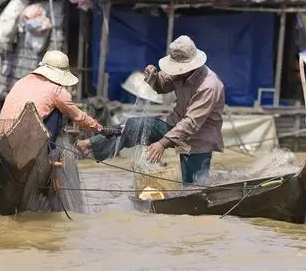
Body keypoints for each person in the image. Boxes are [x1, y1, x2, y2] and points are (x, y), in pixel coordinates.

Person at [76, 35, 225, 183]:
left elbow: (191, 123)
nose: (176, 71)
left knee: (194, 186)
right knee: (135, 126)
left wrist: (162, 143)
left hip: (199, 138)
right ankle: (90, 145)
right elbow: (163, 86)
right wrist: (153, 78)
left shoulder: (209, 86)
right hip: (175, 123)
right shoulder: (181, 74)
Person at [0, 50, 121, 151]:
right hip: (28, 142)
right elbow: (79, 117)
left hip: (2, 135)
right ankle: (48, 152)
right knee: (58, 112)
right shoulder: (55, 90)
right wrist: (102, 130)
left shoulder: (20, 82)